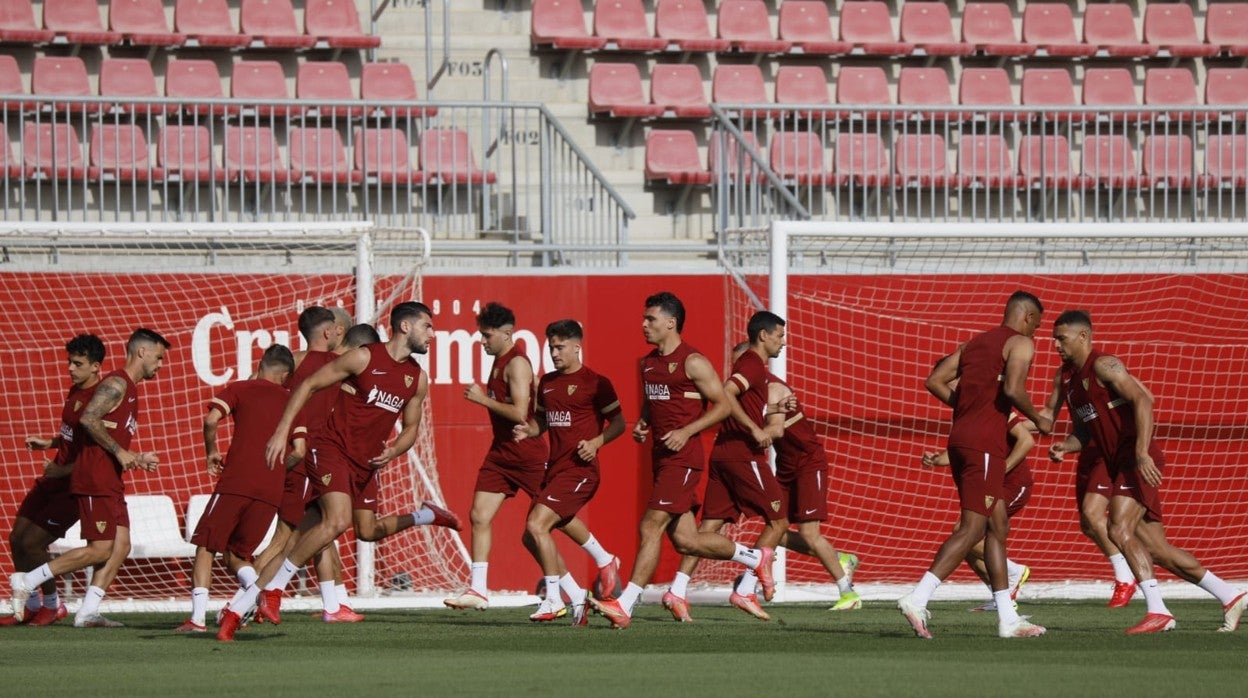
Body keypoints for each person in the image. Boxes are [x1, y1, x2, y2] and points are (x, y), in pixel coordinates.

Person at [217, 302, 455, 641]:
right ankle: (276, 591)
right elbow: (307, 385)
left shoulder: (417, 378)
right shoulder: (363, 357)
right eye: (427, 327)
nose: (433, 334)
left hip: (362, 466)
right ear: (405, 327)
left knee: (302, 539)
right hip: (328, 450)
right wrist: (283, 430)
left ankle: (235, 610)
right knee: (339, 520)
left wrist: (394, 450)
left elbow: (411, 428)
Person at [1046, 309, 1247, 634]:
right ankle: (1230, 594)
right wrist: (1065, 447)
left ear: (1083, 336)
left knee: (1118, 527)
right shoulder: (1070, 381)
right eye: (1055, 338)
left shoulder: (1104, 365)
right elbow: (1084, 431)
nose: (1055, 344)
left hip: (1136, 459)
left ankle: (1159, 611)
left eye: (1061, 338)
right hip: (1117, 464)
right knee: (1157, 550)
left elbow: (1143, 400)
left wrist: (1141, 452)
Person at [590, 292, 775, 629]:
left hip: (684, 459)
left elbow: (721, 406)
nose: (644, 325)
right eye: (644, 319)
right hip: (661, 459)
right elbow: (654, 402)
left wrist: (687, 431)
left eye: (651, 319)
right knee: (686, 540)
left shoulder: (693, 361)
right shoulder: (647, 364)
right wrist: (645, 421)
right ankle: (755, 557)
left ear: (671, 322)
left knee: (649, 526)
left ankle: (625, 604)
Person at [446, 303, 620, 611]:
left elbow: (517, 411)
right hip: (502, 452)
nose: (482, 342)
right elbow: (536, 418)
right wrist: (530, 429)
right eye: (480, 336)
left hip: (529, 456)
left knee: (550, 523)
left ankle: (599, 564)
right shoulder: (517, 368)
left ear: (507, 334)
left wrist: (483, 400)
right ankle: (479, 588)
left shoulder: (518, 364)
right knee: (480, 516)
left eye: (487, 336)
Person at [898, 291, 1051, 640]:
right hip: (985, 445)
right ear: (1027, 318)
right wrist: (1038, 418)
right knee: (971, 529)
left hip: (962, 440)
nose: (1036, 334)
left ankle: (1008, 618)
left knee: (996, 529)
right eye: (1037, 327)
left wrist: (968, 408)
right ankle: (917, 597)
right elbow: (1013, 389)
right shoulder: (1020, 343)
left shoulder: (973, 344)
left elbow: (934, 380)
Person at [10, 328, 169, 628]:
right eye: (159, 357)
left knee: (120, 546)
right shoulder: (117, 383)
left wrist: (135, 458)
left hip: (109, 477)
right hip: (95, 478)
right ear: (142, 352)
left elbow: (99, 429)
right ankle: (28, 580)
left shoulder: (128, 387)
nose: (161, 364)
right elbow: (88, 419)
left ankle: (88, 612)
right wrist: (122, 453)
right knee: (99, 548)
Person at [662, 313, 791, 622]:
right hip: (742, 456)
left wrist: (772, 409)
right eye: (779, 336)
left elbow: (740, 402)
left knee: (707, 529)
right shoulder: (751, 362)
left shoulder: (754, 367)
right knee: (779, 521)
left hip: (723, 454)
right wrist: (754, 430)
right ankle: (746, 589)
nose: (783, 342)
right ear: (763, 336)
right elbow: (726, 394)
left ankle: (677, 590)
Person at [176, 345, 301, 633]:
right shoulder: (293, 401)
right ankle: (258, 595)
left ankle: (196, 620)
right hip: (270, 491)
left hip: (236, 482)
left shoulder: (241, 388)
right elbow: (300, 451)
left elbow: (211, 420)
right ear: (285, 375)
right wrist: (275, 470)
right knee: (237, 554)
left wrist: (211, 452)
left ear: (261, 364)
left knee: (207, 546)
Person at [513, 319, 626, 625]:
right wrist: (529, 429)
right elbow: (543, 423)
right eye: (551, 346)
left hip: (582, 471)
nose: (554, 352)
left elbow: (619, 423)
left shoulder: (596, 382)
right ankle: (578, 594)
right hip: (556, 469)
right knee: (530, 537)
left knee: (538, 525)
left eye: (560, 346)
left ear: (577, 347)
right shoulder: (547, 384)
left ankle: (553, 598)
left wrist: (598, 441)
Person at [248, 306, 354, 621]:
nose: (339, 335)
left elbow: (256, 387)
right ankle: (247, 599)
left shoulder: (293, 361)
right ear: (330, 331)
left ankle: (335, 605)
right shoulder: (339, 366)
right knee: (286, 539)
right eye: (338, 330)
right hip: (306, 461)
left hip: (294, 458)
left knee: (320, 532)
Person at [2, 335, 115, 626]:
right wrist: (49, 442)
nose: (70, 368)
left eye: (78, 364)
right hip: (53, 478)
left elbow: (94, 453)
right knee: (17, 539)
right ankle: (31, 606)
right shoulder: (75, 391)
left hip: (73, 485)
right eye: (69, 362)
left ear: (96, 367)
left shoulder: (100, 400)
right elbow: (72, 438)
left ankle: (52, 606)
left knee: (34, 544)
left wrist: (60, 471)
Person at [921, 411, 1034, 611]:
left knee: (963, 533)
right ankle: (1002, 597)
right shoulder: (968, 413)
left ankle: (1014, 572)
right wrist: (936, 460)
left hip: (1014, 484)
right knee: (964, 543)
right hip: (991, 484)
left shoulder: (997, 409)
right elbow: (966, 450)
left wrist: (1002, 469)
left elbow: (1026, 440)